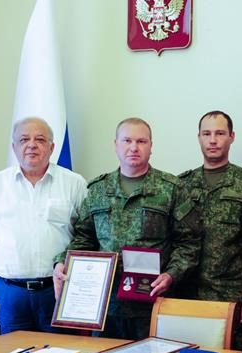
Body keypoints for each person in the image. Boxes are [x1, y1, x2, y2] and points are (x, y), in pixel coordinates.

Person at [52, 117, 201, 340]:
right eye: (127, 140)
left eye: (141, 141)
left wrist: (172, 274)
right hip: (105, 306)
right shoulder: (98, 189)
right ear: (116, 145)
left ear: (151, 146)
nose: (134, 147)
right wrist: (63, 261)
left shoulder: (172, 189)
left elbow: (189, 242)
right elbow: (84, 237)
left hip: (154, 303)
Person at [0, 116, 87, 334]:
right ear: (14, 147)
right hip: (11, 293)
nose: (32, 145)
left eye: (40, 139)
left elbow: (87, 236)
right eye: (24, 139)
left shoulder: (75, 184)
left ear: (52, 147)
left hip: (57, 291)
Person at [176, 111, 242, 353]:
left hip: (230, 296)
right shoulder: (182, 184)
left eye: (220, 133)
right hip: (187, 294)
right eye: (207, 134)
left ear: (231, 137)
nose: (213, 140)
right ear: (199, 138)